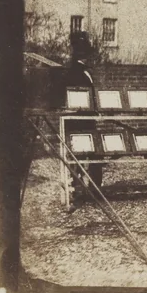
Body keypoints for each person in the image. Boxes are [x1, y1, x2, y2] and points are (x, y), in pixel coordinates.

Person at [64, 31, 103, 205]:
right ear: (86, 57)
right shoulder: (81, 74)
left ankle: (77, 187)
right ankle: (90, 189)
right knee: (88, 153)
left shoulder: (70, 71)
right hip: (83, 120)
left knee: (76, 155)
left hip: (77, 119)